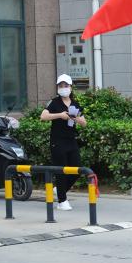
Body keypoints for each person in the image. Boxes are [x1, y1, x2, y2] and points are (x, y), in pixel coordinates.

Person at [40, 73, 84, 210]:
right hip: (57, 141)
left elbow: (84, 122)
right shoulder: (54, 102)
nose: (63, 88)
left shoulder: (75, 103)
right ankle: (62, 201)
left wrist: (77, 119)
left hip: (71, 140)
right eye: (60, 85)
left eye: (66, 85)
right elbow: (43, 116)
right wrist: (60, 115)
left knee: (76, 168)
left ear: (71, 87)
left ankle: (59, 189)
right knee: (61, 170)